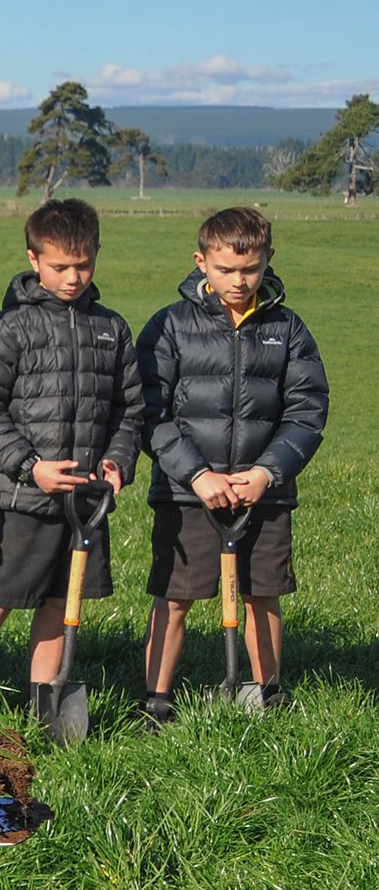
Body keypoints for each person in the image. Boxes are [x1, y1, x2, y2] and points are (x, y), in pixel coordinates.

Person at [134, 206, 328, 722]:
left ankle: (266, 692)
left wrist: (267, 473)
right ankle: (156, 699)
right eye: (225, 270)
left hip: (264, 492)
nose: (239, 281)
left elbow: (307, 411)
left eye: (251, 269)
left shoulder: (287, 329)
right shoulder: (170, 326)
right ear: (201, 262)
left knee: (262, 594)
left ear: (268, 261)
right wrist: (197, 474)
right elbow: (148, 411)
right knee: (175, 597)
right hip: (187, 491)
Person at [0, 199, 142, 691]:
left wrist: (118, 459)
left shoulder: (112, 329)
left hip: (84, 499)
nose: (73, 277)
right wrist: (28, 466)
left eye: (83, 265)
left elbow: (129, 409)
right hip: (23, 498)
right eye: (60, 267)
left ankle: (45, 706)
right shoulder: (9, 328)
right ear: (34, 260)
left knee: (61, 603)